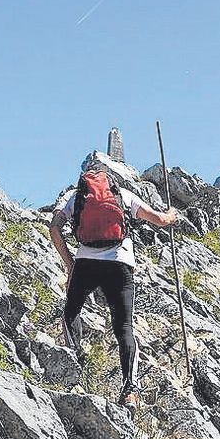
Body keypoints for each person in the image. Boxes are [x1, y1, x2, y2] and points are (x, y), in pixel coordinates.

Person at [49, 168, 179, 409]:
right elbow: (160, 220)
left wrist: (70, 266)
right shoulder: (123, 195)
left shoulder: (73, 196)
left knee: (71, 312)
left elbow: (54, 228)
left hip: (86, 262)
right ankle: (130, 390)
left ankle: (74, 360)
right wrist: (171, 215)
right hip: (120, 264)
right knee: (124, 327)